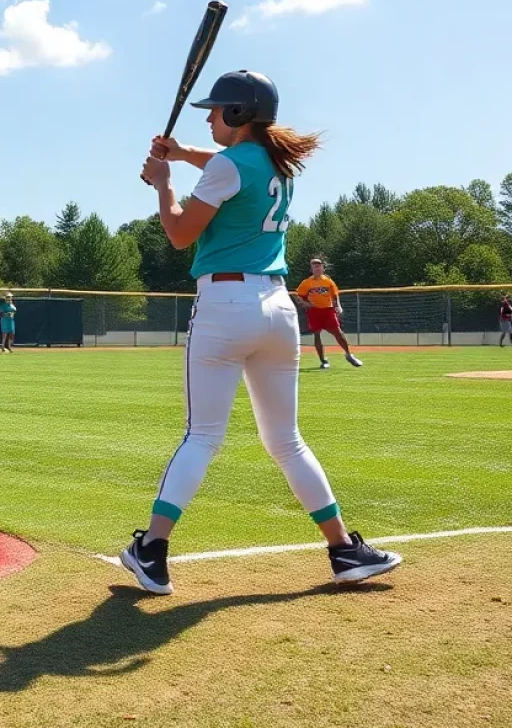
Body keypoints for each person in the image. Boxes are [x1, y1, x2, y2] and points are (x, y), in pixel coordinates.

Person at [119, 71, 401, 595]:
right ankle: (344, 550)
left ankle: (151, 550)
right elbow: (227, 168)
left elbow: (180, 235)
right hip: (277, 308)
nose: (209, 117)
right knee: (287, 441)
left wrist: (164, 185)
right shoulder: (275, 163)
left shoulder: (230, 164)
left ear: (238, 115)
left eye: (216, 110)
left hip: (225, 305)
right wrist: (181, 154)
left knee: (202, 436)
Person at [295, 259, 362, 369]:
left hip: (328, 310)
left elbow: (335, 294)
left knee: (338, 332)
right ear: (311, 269)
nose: (317, 268)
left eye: (319, 266)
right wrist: (305, 304)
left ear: (323, 268)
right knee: (317, 334)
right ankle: (323, 360)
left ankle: (349, 354)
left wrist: (338, 306)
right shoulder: (306, 282)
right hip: (314, 311)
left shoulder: (328, 281)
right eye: (315, 266)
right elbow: (300, 295)